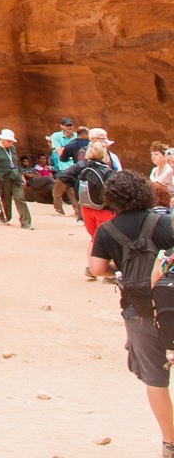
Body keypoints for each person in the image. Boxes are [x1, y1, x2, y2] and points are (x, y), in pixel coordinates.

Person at [86, 169, 174, 457]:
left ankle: (170, 442)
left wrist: (121, 268)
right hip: (170, 304)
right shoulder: (164, 222)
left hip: (139, 310)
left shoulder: (107, 230)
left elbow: (97, 268)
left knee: (155, 379)